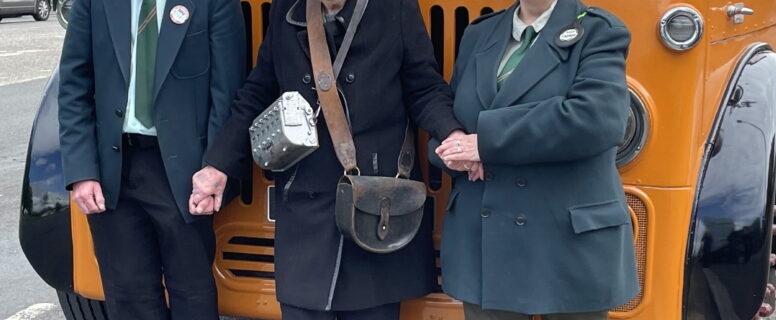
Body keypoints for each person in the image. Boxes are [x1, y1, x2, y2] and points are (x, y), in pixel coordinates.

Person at [189, 0, 464, 318]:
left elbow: (424, 88)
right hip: (305, 208)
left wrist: (451, 133)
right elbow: (258, 90)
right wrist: (218, 165)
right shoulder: (286, 9)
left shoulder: (395, 7)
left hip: (375, 209)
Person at [429, 0, 639, 319]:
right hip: (487, 244)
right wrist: (454, 149)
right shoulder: (479, 34)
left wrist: (487, 144)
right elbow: (457, 118)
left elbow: (597, 119)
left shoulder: (598, 31)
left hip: (566, 248)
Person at [57, 0, 245, 318]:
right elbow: (73, 84)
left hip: (185, 174)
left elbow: (227, 92)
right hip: (111, 172)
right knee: (128, 297)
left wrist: (215, 165)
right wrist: (82, 171)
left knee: (192, 295)